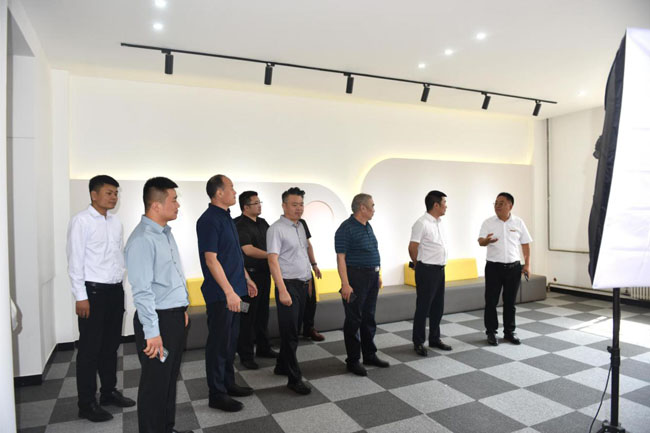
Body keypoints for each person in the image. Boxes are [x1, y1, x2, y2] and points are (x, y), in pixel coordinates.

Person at [125, 177, 191, 433]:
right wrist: (152, 332)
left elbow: (172, 276)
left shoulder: (165, 233)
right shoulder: (142, 239)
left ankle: (166, 427)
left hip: (172, 317)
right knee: (154, 385)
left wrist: (182, 309)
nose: (178, 205)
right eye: (173, 200)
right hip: (156, 321)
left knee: (168, 380)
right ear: (156, 205)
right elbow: (142, 291)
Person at [66, 174, 135, 422]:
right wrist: (80, 296)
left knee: (110, 346)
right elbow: (75, 261)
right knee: (89, 350)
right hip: (92, 293)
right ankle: (86, 404)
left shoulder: (116, 223)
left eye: (116, 193)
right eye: (109, 192)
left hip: (114, 291)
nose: (114, 197)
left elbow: (117, 257)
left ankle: (108, 392)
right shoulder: (81, 221)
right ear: (93, 194)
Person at [197, 175, 257, 412]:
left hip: (236, 292)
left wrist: (247, 279)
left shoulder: (227, 218)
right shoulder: (208, 220)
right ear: (219, 193)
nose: (235, 191)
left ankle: (228, 383)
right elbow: (211, 260)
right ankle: (217, 393)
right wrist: (230, 291)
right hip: (222, 295)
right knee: (219, 345)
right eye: (231, 188)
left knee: (231, 342)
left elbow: (234, 256)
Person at [335, 193, 389, 376]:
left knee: (369, 317)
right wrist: (345, 284)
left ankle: (369, 354)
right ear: (362, 208)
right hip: (355, 277)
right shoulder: (346, 228)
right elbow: (341, 258)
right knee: (354, 319)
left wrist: (377, 273)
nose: (374, 209)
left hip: (371, 277)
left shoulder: (367, 226)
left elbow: (373, 250)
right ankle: (353, 360)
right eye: (372, 206)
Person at [267, 187, 313, 394]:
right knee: (291, 333)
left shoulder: (301, 226)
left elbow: (302, 254)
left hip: (302, 284)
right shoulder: (276, 229)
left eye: (301, 204)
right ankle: (294, 379)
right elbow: (272, 260)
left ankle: (281, 365)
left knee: (294, 329)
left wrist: (309, 278)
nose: (299, 208)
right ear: (284, 206)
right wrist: (282, 289)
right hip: (288, 285)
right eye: (294, 205)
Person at [477, 192, 532, 346]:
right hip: (493, 268)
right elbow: (480, 241)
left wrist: (527, 265)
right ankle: (491, 332)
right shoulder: (488, 222)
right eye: (495, 203)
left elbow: (525, 244)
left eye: (501, 203)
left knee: (510, 302)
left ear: (510, 206)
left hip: (513, 268)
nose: (497, 206)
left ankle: (509, 332)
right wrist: (487, 240)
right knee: (491, 302)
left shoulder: (518, 222)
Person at [234, 191, 278, 370]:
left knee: (262, 314)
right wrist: (272, 255)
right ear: (245, 207)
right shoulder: (239, 225)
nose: (259, 206)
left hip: (264, 274)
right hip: (248, 277)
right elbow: (248, 250)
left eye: (260, 202)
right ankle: (246, 355)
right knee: (247, 316)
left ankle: (263, 347)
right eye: (256, 203)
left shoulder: (263, 222)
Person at [408, 190, 452, 357]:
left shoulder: (439, 222)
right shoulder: (422, 223)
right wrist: (418, 265)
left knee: (438, 307)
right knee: (423, 307)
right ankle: (418, 341)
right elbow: (412, 247)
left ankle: (434, 338)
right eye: (444, 203)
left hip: (439, 270)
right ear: (436, 205)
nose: (446, 206)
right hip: (426, 270)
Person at [299, 218, 325, 342]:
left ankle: (309, 328)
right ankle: (292, 333)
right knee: (295, 304)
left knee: (311, 300)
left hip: (306, 268)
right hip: (290, 272)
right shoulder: (279, 227)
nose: (299, 209)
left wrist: (314, 265)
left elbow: (308, 245)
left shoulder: (302, 223)